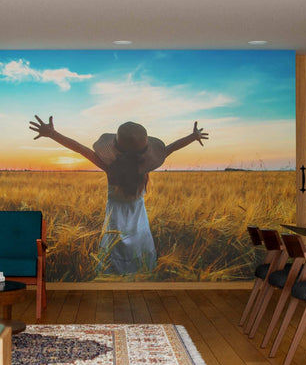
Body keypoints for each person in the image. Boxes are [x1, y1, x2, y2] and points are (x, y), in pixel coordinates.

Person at [29, 115, 208, 275]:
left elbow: (80, 148)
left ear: (116, 148)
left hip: (114, 225)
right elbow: (172, 147)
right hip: (140, 225)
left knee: (113, 259)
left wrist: (53, 134)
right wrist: (193, 137)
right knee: (141, 261)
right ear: (146, 151)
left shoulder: (110, 169)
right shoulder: (145, 168)